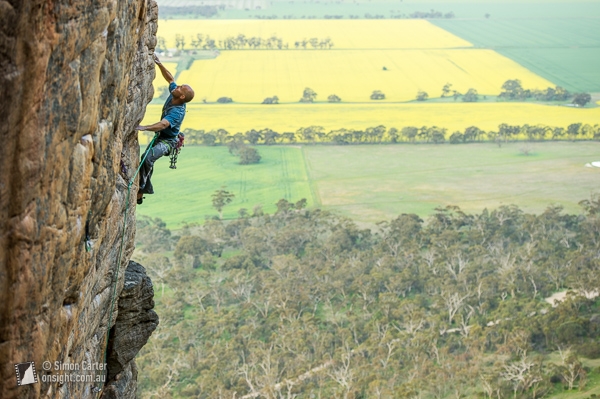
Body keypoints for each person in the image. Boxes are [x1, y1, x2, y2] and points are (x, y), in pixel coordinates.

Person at [136, 54, 194, 204]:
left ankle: (142, 190)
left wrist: (143, 128)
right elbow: (170, 79)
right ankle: (142, 189)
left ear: (181, 96)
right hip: (162, 136)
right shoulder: (175, 94)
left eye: (180, 88)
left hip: (168, 141)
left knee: (148, 158)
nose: (177, 87)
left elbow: (163, 125)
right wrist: (159, 64)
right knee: (145, 158)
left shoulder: (177, 111)